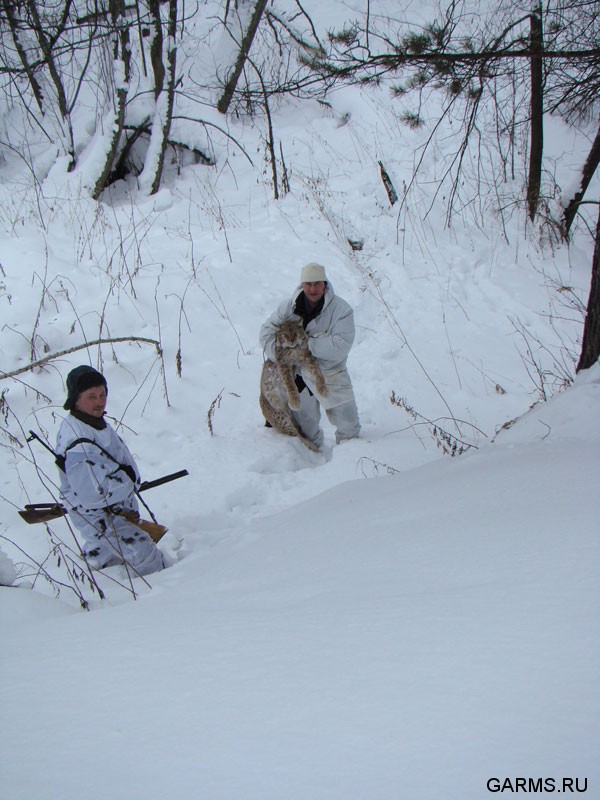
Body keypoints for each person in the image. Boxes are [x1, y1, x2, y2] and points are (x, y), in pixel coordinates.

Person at [56, 365, 165, 576]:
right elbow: (92, 496)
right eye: (91, 396)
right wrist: (127, 483)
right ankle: (161, 597)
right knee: (145, 553)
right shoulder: (78, 443)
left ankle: (98, 576)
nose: (100, 401)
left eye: (102, 394)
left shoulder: (91, 422)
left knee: (108, 557)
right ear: (76, 399)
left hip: (117, 511)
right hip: (100, 517)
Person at [260, 262, 360, 449]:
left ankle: (351, 456)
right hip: (296, 371)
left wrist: (308, 344)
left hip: (329, 370)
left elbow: (340, 346)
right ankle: (313, 457)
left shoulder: (341, 310)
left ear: (325, 284)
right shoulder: (288, 307)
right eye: (308, 284)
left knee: (348, 423)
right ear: (302, 285)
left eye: (317, 283)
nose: (313, 289)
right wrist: (282, 354)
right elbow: (265, 333)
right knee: (305, 424)